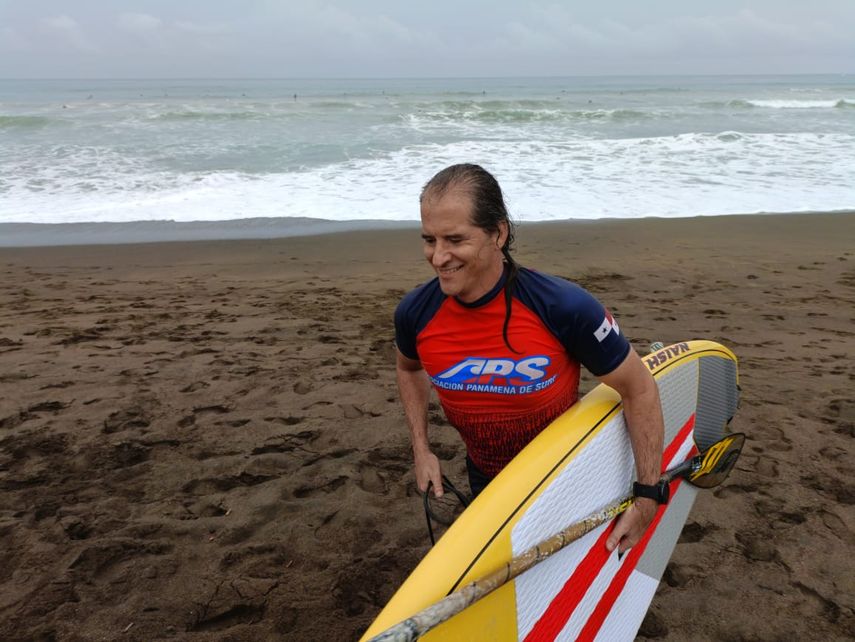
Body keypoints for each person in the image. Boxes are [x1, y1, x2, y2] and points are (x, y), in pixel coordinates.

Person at [394, 163, 665, 553]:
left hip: (565, 481)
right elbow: (408, 369)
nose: (438, 257)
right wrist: (422, 450)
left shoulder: (564, 307)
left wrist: (647, 494)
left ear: (498, 233)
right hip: (487, 481)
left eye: (454, 239)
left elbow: (638, 389)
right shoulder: (415, 313)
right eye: (428, 240)